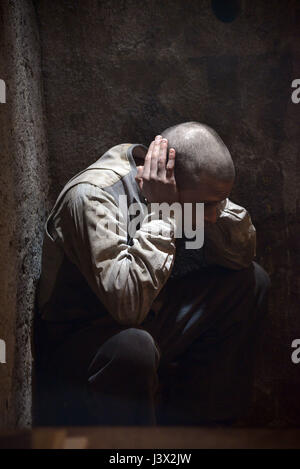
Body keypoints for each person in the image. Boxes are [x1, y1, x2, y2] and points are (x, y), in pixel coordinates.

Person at [34, 121, 270, 426]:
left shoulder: (189, 182)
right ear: (172, 184)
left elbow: (242, 254)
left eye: (220, 201)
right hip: (83, 344)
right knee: (134, 347)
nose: (213, 216)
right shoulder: (93, 197)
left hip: (149, 316)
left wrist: (212, 208)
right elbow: (127, 306)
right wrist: (164, 215)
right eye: (208, 205)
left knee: (251, 283)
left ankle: (204, 432)